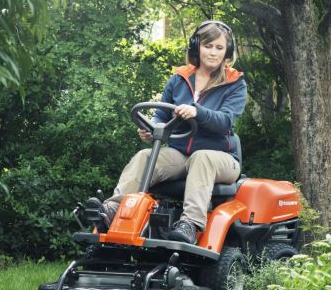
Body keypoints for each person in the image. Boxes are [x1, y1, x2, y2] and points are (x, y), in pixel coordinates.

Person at [88, 19, 246, 244]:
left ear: (227, 52)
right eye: (208, 46)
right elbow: (161, 116)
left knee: (201, 158)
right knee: (145, 156)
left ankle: (190, 223)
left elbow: (225, 122)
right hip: (181, 154)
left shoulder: (235, 83)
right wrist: (152, 129)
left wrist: (197, 112)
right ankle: (113, 210)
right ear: (196, 47)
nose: (213, 52)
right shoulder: (179, 79)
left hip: (221, 158)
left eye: (219, 48)